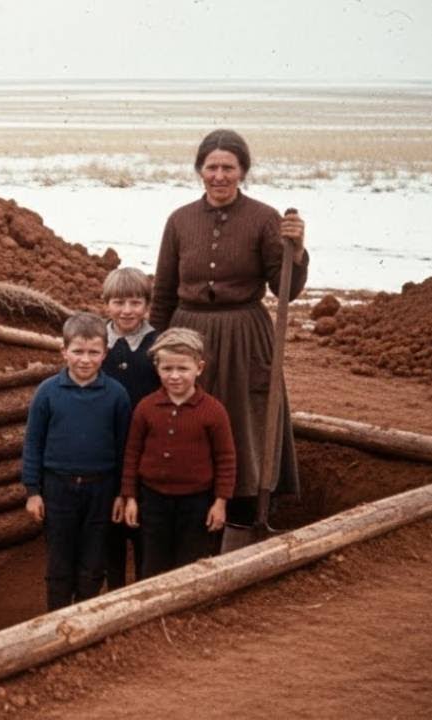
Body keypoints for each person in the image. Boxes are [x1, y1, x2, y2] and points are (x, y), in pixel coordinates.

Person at [150, 128, 308, 528]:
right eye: (211, 167)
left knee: (245, 420)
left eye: (228, 168)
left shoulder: (264, 218)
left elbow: (284, 289)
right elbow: (164, 290)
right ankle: (192, 501)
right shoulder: (180, 220)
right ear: (200, 170)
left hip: (245, 335)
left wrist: (298, 250)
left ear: (243, 172)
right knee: (189, 411)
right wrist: (156, 344)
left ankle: (247, 506)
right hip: (190, 333)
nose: (219, 175)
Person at [21, 312, 132, 610]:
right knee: (60, 557)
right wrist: (33, 492)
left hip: (102, 489)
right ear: (64, 351)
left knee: (94, 559)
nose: (85, 359)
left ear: (105, 354)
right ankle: (56, 619)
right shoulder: (47, 393)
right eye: (78, 351)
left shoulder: (117, 395)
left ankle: (85, 616)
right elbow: (33, 443)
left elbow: (125, 448)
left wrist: (123, 493)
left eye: (93, 352)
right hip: (58, 487)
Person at [120, 328, 236, 578]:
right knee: (151, 562)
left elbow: (226, 459)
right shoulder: (146, 408)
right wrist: (130, 497)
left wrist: (220, 502)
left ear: (199, 368)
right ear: (157, 368)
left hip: (196, 503)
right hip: (152, 500)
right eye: (167, 369)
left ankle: (186, 613)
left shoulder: (214, 411)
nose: (175, 376)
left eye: (183, 369)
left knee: (190, 564)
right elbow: (132, 454)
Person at [100, 267, 160, 589]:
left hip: (146, 448)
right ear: (106, 304)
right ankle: (114, 591)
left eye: (135, 303)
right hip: (108, 447)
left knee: (143, 523)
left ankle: (144, 590)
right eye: (119, 302)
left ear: (147, 306)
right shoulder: (98, 345)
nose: (127, 311)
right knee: (111, 524)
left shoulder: (156, 344)